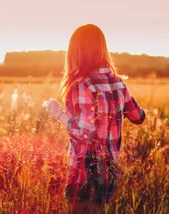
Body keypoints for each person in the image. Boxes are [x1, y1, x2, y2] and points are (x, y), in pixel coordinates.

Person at [46, 24, 146, 214]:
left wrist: (58, 113)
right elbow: (139, 117)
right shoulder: (118, 83)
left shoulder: (82, 85)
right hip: (108, 168)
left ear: (75, 51)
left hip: (85, 168)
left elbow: (85, 132)